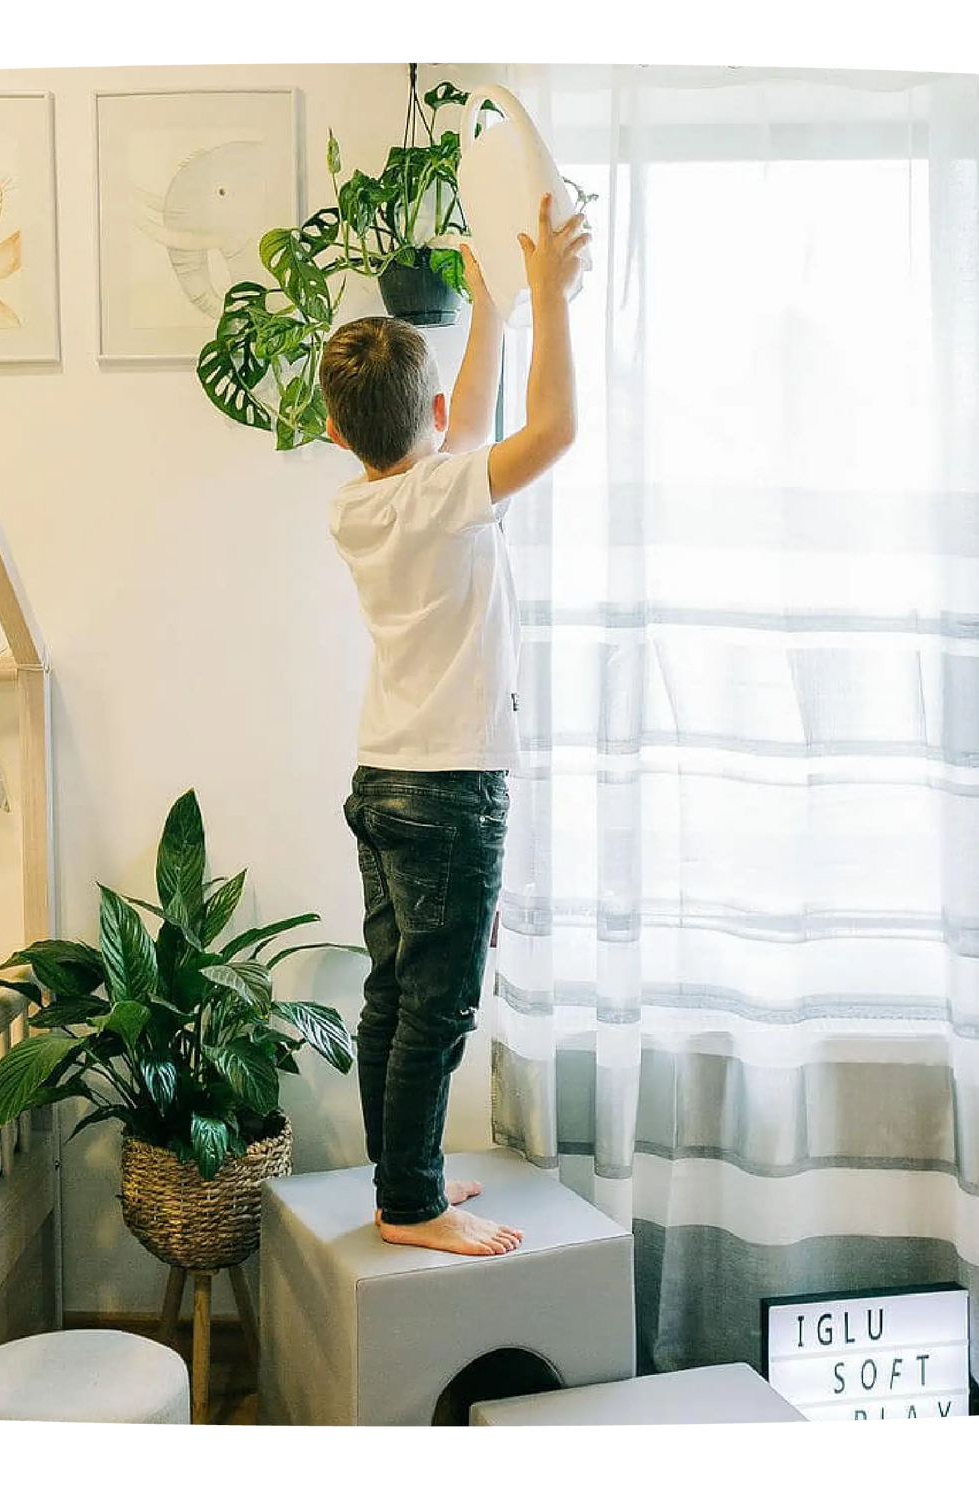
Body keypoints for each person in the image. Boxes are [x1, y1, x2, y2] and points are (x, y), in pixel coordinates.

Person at [321, 194, 590, 1256]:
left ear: (336, 431)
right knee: (436, 1009)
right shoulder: (443, 494)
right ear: (426, 418)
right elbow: (548, 431)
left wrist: (491, 306)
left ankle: (401, 1184)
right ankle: (415, 1205)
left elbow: (467, 430)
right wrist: (549, 305)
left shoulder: (361, 505)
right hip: (447, 789)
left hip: (385, 779)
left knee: (394, 993)